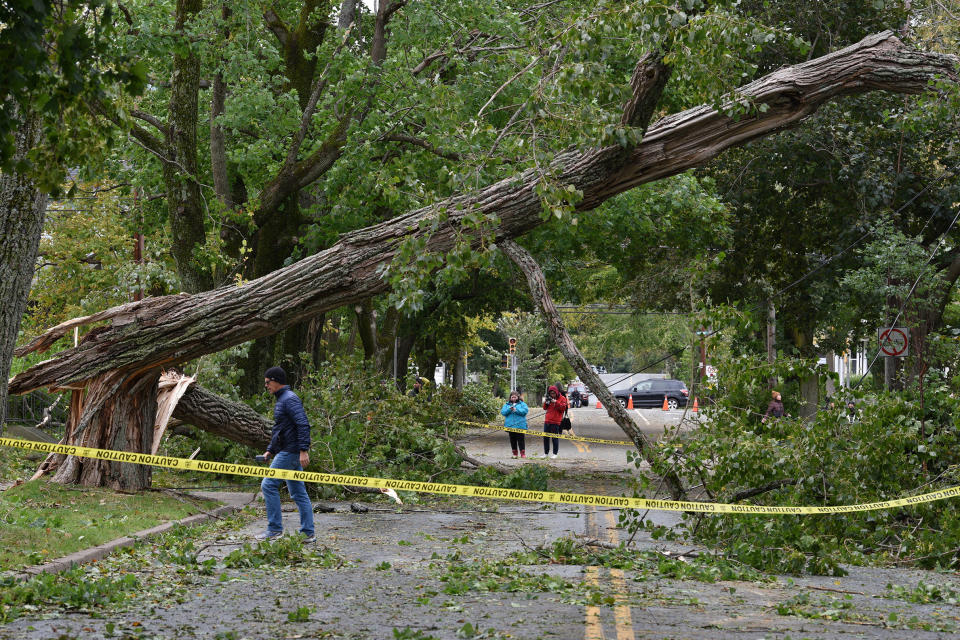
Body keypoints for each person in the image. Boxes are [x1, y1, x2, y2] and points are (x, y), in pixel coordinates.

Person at [257, 366, 315, 543]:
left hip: (290, 452)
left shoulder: (289, 399)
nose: (266, 386)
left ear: (275, 381)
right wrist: (270, 450)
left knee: (268, 485)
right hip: (287, 451)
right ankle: (308, 533)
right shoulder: (283, 399)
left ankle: (274, 530)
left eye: (267, 382)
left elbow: (303, 424)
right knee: (299, 493)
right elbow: (280, 430)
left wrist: (303, 450)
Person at [500, 390, 529, 458]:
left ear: (517, 397)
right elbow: (503, 412)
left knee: (521, 440)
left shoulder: (522, 404)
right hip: (510, 426)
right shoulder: (506, 405)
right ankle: (515, 454)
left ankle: (522, 454)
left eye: (515, 397)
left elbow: (525, 411)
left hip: (520, 425)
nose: (513, 398)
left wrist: (516, 410)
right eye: (512, 397)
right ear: (510, 398)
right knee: (512, 440)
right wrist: (509, 409)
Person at [542, 385, 568, 459]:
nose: (552, 395)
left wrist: (556, 402)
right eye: (551, 393)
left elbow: (563, 408)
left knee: (554, 437)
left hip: (556, 421)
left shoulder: (562, 398)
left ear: (556, 392)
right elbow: (544, 408)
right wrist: (546, 402)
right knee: (546, 437)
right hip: (547, 420)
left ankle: (555, 453)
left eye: (553, 393)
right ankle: (546, 453)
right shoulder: (549, 398)